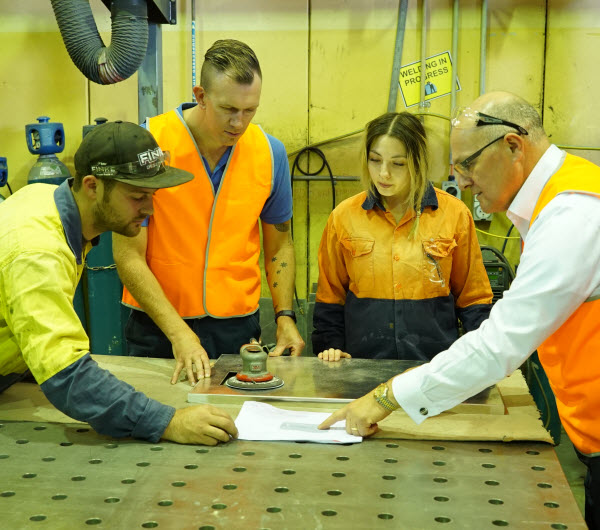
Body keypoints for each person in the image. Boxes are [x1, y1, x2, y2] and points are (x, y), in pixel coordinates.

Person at [318, 92, 600, 529]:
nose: (462, 181)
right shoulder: (559, 204)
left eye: (468, 164)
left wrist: (386, 398)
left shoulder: (571, 216)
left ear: (512, 146)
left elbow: (497, 343)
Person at [0, 121, 238, 446]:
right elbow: (66, 373)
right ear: (92, 186)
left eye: (152, 196)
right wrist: (168, 422)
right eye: (138, 196)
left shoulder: (48, 199)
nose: (149, 209)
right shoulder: (38, 249)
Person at [113, 39, 304, 386]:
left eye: (250, 110)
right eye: (228, 108)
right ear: (201, 96)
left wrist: (285, 316)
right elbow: (127, 256)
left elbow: (280, 247)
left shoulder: (270, 153)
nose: (238, 122)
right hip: (156, 328)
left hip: (237, 329)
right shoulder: (150, 144)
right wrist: (178, 334)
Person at [312, 112, 492, 362]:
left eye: (398, 164)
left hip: (433, 368)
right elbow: (330, 297)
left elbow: (474, 299)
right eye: (375, 160)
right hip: (362, 366)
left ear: (417, 162)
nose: (383, 173)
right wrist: (329, 346)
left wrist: (484, 358)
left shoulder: (454, 214)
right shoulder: (344, 217)